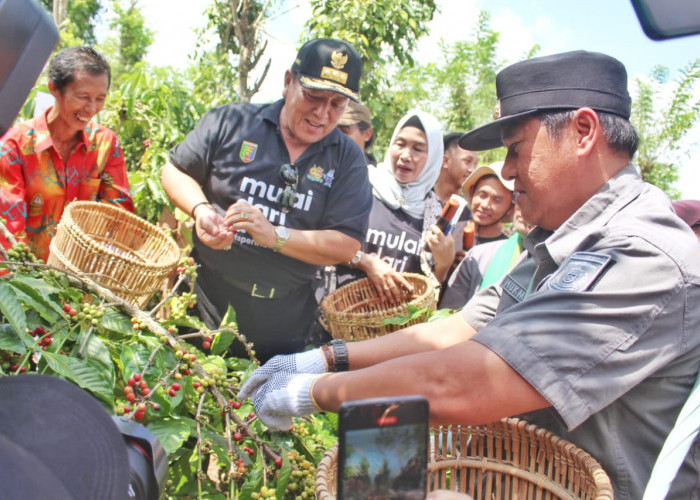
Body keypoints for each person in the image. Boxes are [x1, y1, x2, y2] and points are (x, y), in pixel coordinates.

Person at [239, 51, 700, 499]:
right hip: (504, 475)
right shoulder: (558, 242)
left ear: (582, 132)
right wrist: (326, 358)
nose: (510, 173)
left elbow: (467, 383)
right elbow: (460, 330)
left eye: (516, 151)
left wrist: (312, 393)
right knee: (379, 467)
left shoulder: (641, 256)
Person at [161, 38, 372, 362]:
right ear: (289, 82)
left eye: (337, 104)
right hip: (205, 297)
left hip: (285, 317)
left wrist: (275, 237)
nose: (322, 113)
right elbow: (175, 170)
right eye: (313, 96)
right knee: (182, 390)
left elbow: (346, 244)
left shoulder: (347, 159)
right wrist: (201, 209)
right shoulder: (232, 122)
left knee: (258, 407)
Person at [0, 46, 133, 261]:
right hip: (28, 280)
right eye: (83, 97)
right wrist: (27, 282)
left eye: (100, 98)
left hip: (80, 281)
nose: (91, 108)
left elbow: (120, 216)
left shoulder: (105, 145)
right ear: (54, 89)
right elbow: (8, 230)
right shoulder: (15, 147)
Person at [333, 110, 454, 303]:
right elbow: (325, 243)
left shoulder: (436, 214)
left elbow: (431, 292)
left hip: (396, 328)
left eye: (418, 149)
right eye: (400, 144)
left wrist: (444, 264)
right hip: (343, 315)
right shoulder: (361, 185)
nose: (405, 155)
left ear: (434, 158)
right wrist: (366, 262)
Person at [439, 204, 531, 310]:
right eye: (519, 194)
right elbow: (448, 314)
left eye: (497, 200)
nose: (485, 204)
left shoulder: (551, 266)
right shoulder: (476, 256)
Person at [434, 132, 477, 268]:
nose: (472, 170)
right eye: (467, 161)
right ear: (445, 161)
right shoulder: (421, 199)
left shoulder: (467, 213)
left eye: (475, 164)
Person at [461, 161, 514, 247]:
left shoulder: (506, 250)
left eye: (497, 200)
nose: (485, 205)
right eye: (482, 195)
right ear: (472, 192)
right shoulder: (449, 233)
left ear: (511, 208)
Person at [337, 99, 376, 166]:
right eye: (333, 131)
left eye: (344, 131)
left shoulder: (374, 174)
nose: (335, 137)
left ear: (367, 134)